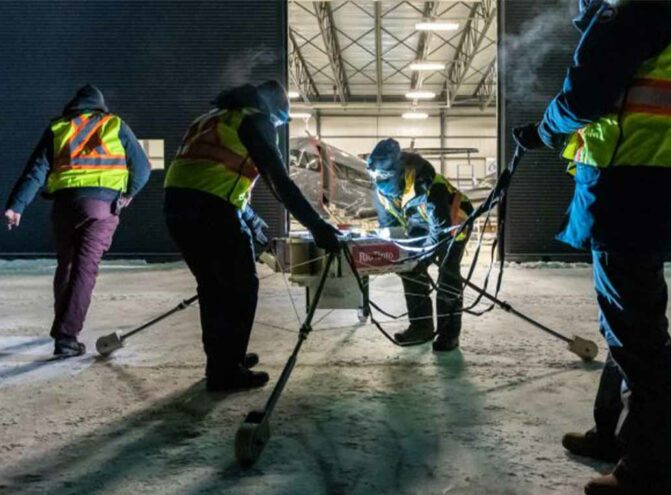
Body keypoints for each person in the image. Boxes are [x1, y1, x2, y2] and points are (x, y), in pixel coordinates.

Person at [513, 0, 671, 495]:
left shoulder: (635, 9)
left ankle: (653, 478)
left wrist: (544, 131)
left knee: (639, 338)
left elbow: (585, 95)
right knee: (621, 326)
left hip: (630, 186)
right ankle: (615, 435)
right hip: (647, 183)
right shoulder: (668, 15)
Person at [164, 81, 341, 392]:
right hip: (211, 211)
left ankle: (222, 360)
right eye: (280, 120)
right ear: (271, 109)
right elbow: (279, 180)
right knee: (241, 287)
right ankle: (225, 373)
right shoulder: (255, 120)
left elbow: (214, 174)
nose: (277, 127)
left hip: (178, 208)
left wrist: (249, 217)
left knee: (214, 288)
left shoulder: (214, 118)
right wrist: (317, 226)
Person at [4, 84, 151, 358]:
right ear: (100, 106)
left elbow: (35, 170)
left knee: (67, 266)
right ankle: (67, 337)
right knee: (85, 269)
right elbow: (142, 168)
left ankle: (63, 330)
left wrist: (16, 205)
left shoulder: (59, 128)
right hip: (101, 206)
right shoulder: (114, 125)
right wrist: (128, 194)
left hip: (65, 206)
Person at [367, 139, 473, 352]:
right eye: (376, 177)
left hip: (452, 224)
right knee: (410, 271)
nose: (380, 181)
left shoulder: (429, 186)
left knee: (448, 274)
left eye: (385, 176)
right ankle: (421, 327)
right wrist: (397, 256)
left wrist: (422, 260)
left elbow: (440, 232)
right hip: (419, 225)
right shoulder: (381, 192)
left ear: (398, 169)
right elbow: (391, 227)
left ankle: (449, 334)